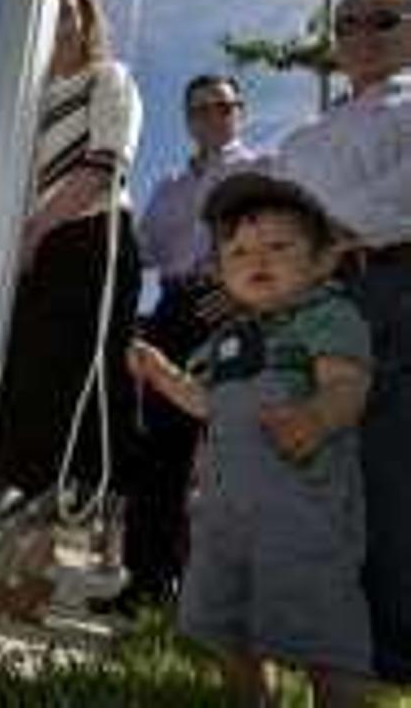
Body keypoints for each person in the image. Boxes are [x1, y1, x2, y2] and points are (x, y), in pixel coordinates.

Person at [129, 173, 375, 708]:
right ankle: (252, 698)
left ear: (322, 260)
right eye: (238, 251)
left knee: (322, 630)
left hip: (306, 516)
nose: (257, 258)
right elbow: (206, 402)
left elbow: (348, 384)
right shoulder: (228, 338)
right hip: (227, 515)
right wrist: (165, 374)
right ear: (220, 274)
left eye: (279, 246)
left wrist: (315, 417)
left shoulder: (327, 315)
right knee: (225, 619)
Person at [276, 0, 411, 683]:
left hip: (394, 288)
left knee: (390, 470)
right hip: (313, 305)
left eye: (382, 19)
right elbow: (273, 210)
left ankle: (391, 654)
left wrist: (319, 232)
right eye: (347, 22)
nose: (361, 33)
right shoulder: (308, 134)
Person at [0, 0, 143, 506]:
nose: (60, 24)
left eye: (70, 12)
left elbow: (105, 164)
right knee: (24, 376)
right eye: (49, 13)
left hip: (90, 238)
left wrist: (36, 231)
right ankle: (16, 512)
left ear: (88, 21)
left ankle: (86, 513)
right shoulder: (25, 105)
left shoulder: (108, 78)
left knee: (81, 376)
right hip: (34, 250)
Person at [114, 74, 267, 610]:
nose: (211, 118)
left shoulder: (260, 170)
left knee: (226, 449)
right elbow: (146, 250)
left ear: (240, 111)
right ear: (187, 119)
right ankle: (147, 583)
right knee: (158, 450)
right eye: (199, 109)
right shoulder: (169, 186)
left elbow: (277, 241)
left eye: (221, 107)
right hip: (173, 310)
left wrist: (244, 287)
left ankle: (220, 594)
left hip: (230, 308)